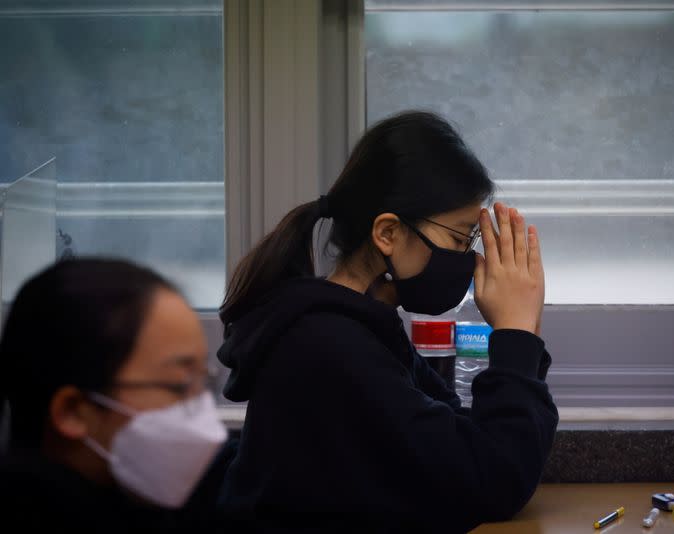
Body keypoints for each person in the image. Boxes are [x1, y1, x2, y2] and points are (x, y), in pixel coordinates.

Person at [217, 111, 559, 532]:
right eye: (458, 237)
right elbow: (495, 481)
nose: (470, 261)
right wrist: (516, 334)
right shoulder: (329, 346)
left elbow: (467, 447)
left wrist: (521, 335)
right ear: (388, 234)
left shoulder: (364, 328)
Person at [0, 258, 228, 532]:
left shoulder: (138, 509)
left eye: (203, 382)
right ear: (73, 411)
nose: (202, 412)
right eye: (178, 386)